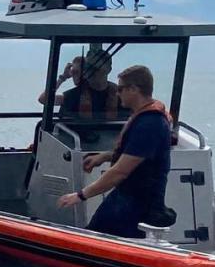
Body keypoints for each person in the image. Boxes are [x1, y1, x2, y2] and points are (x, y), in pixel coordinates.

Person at [57, 65, 174, 238]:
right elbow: (137, 155)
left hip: (137, 203)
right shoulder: (144, 119)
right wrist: (105, 156)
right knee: (94, 235)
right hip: (125, 197)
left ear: (134, 89)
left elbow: (120, 171)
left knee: (97, 240)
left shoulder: (150, 124)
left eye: (120, 89)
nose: (117, 94)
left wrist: (81, 195)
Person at [58, 47, 119, 120]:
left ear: (109, 69)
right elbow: (45, 99)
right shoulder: (72, 96)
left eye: (96, 68)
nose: (90, 71)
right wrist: (62, 78)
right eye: (87, 68)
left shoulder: (122, 96)